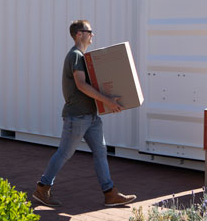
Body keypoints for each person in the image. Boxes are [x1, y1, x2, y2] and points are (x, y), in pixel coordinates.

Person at [33, 19, 137, 207]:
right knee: (64, 153)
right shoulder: (75, 56)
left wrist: (106, 103)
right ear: (79, 34)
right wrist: (108, 101)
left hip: (91, 116)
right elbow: (81, 85)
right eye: (89, 32)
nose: (92, 35)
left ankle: (109, 193)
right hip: (77, 116)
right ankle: (42, 188)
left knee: (100, 152)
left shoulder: (84, 57)